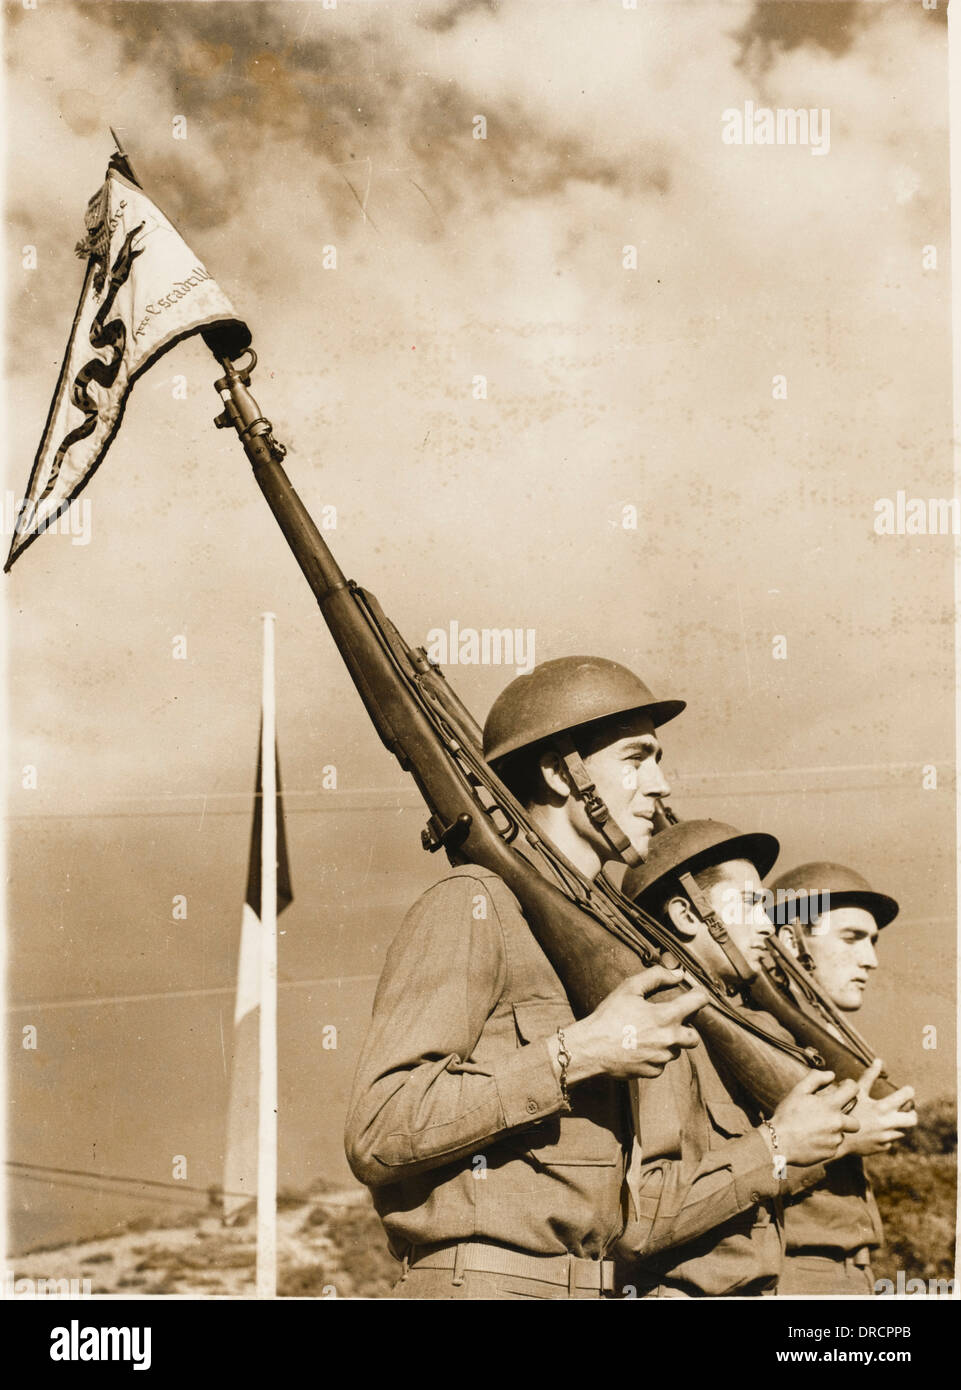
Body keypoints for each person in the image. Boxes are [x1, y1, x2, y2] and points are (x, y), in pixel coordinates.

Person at [344, 656, 709, 1300]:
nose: (661, 785)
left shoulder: (611, 940)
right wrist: (573, 1055)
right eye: (636, 757)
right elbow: (380, 1128)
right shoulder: (473, 902)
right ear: (558, 772)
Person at [616, 821, 862, 1297]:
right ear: (688, 916)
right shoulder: (657, 1027)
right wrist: (776, 1146)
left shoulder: (727, 1031)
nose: (767, 924)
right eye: (751, 905)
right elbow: (640, 1221)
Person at [767, 863, 917, 1296]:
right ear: (792, 942)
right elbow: (735, 1169)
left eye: (872, 942)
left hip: (854, 1275)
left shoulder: (823, 1045)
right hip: (791, 1274)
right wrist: (848, 1140)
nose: (870, 960)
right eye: (851, 939)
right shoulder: (759, 1042)